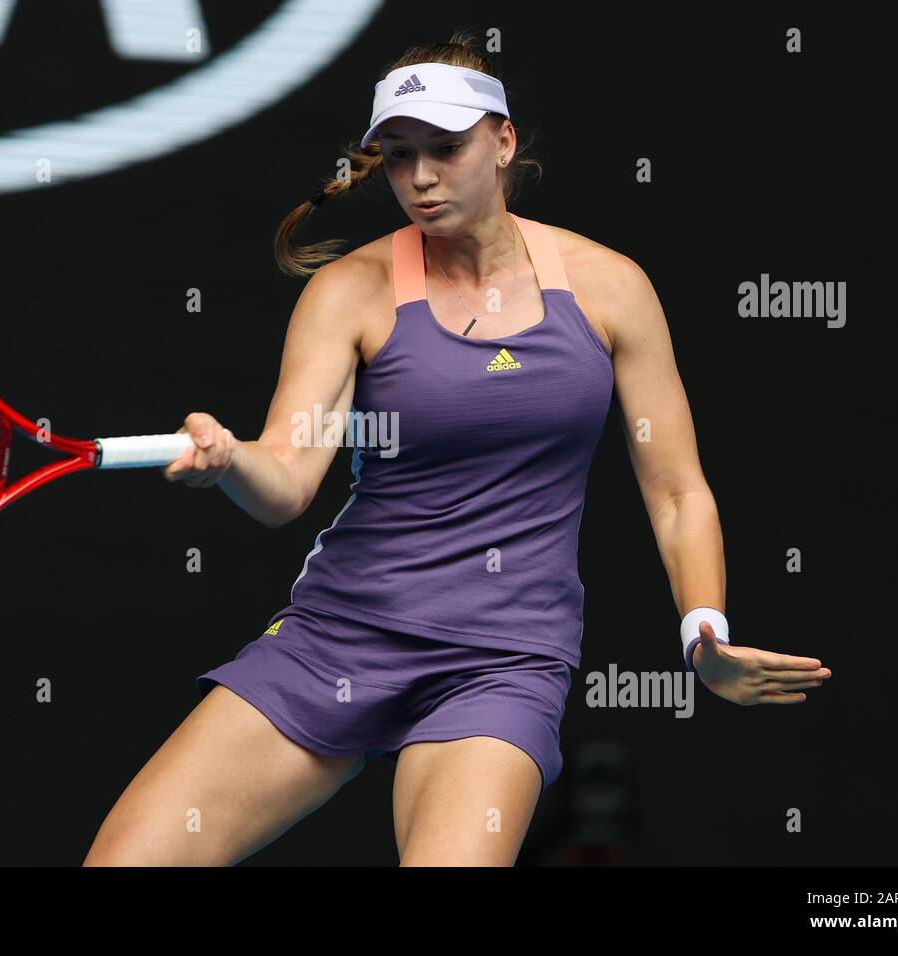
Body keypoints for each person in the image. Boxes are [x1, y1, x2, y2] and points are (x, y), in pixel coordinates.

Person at [83, 30, 831, 868]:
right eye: (399, 157)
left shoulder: (611, 288)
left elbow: (678, 490)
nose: (421, 178)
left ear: (503, 140)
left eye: (446, 148)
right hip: (339, 637)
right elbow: (286, 480)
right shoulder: (350, 292)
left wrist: (703, 630)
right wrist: (228, 462)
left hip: (503, 662)